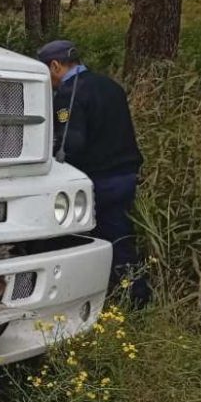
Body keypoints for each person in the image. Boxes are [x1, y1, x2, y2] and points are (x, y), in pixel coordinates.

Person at [37, 39, 150, 306]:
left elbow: (71, 143)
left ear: (55, 66)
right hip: (126, 173)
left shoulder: (68, 94)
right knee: (120, 235)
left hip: (100, 179)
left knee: (84, 240)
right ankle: (132, 293)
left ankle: (108, 297)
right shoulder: (111, 86)